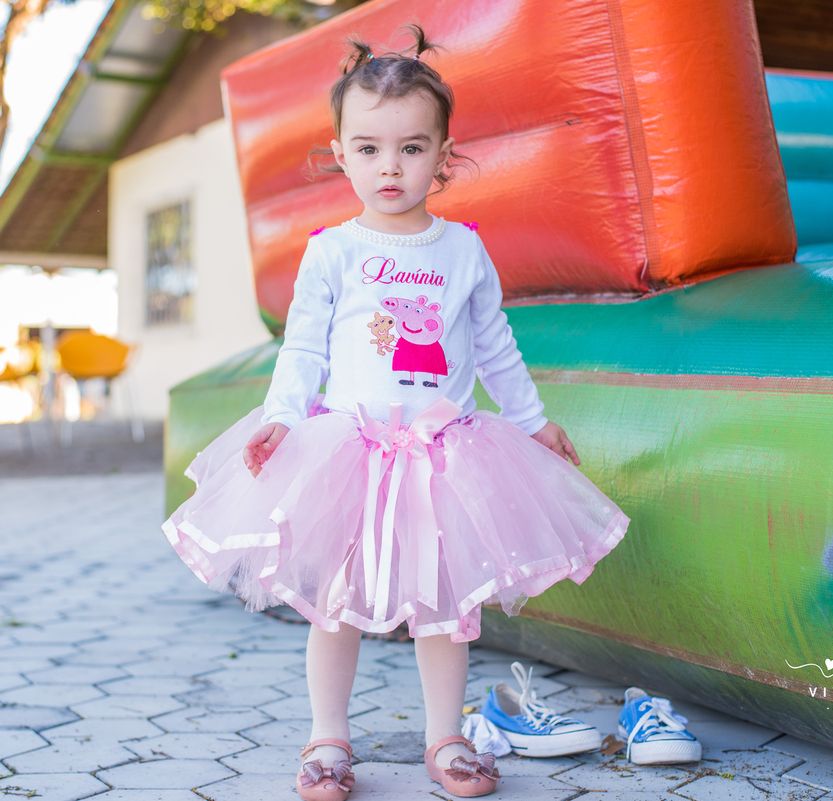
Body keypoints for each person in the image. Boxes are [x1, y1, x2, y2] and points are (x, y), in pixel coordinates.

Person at [163, 25, 629, 799]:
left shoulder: (463, 250)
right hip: (350, 452)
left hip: (444, 453)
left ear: (444, 156)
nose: (391, 166)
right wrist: (281, 415)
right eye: (370, 148)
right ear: (340, 152)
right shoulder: (332, 250)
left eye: (413, 148)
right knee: (334, 603)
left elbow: (496, 346)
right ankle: (328, 738)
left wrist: (532, 420)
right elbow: (302, 348)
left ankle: (446, 737)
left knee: (445, 608)